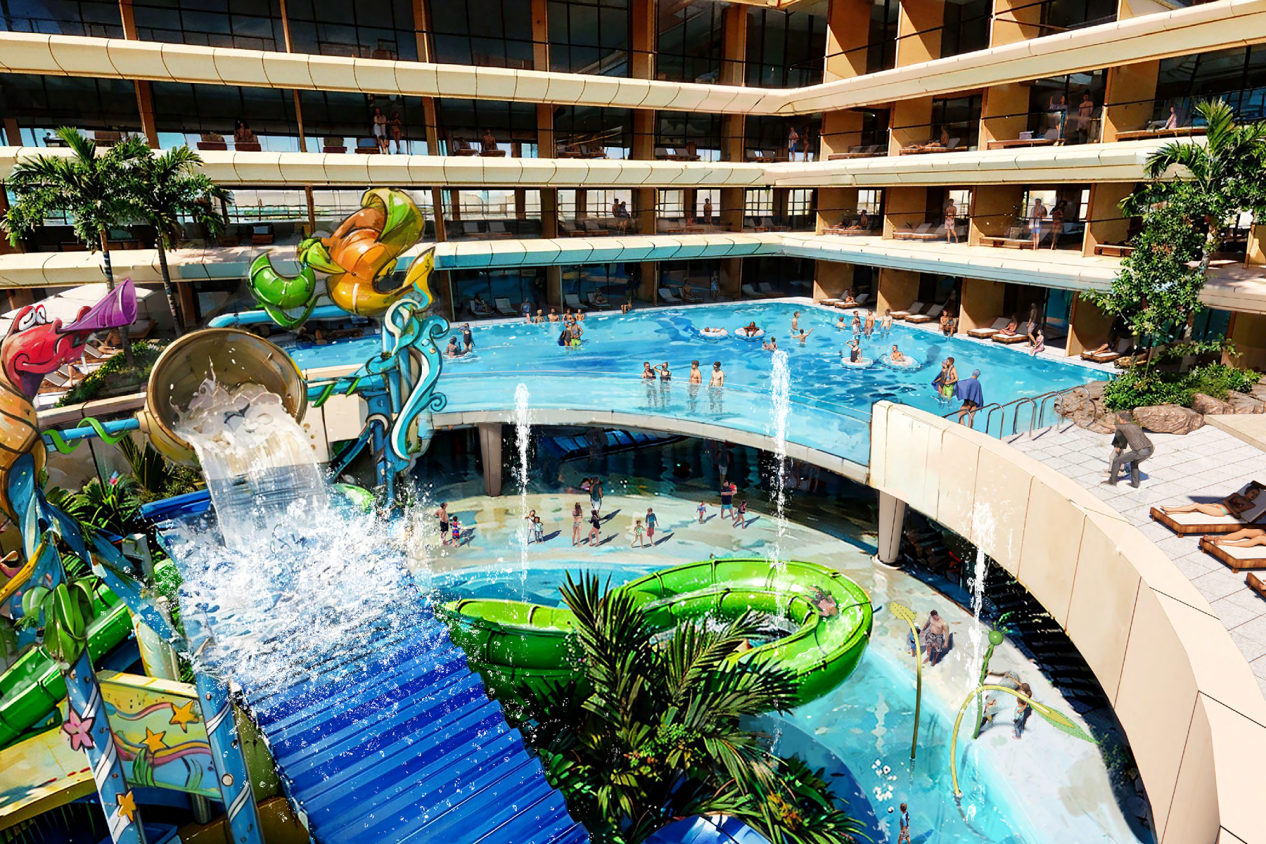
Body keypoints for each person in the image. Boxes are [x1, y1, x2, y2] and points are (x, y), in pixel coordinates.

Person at [1105, 412, 1155, 488]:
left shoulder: (1124, 427)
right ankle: (1135, 484)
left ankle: (1112, 481)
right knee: (1134, 463)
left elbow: (1110, 426)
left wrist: (1099, 422)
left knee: (1117, 461)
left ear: (1123, 420)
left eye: (1119, 419)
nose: (1118, 421)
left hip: (1139, 451)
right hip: (1150, 449)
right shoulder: (1135, 426)